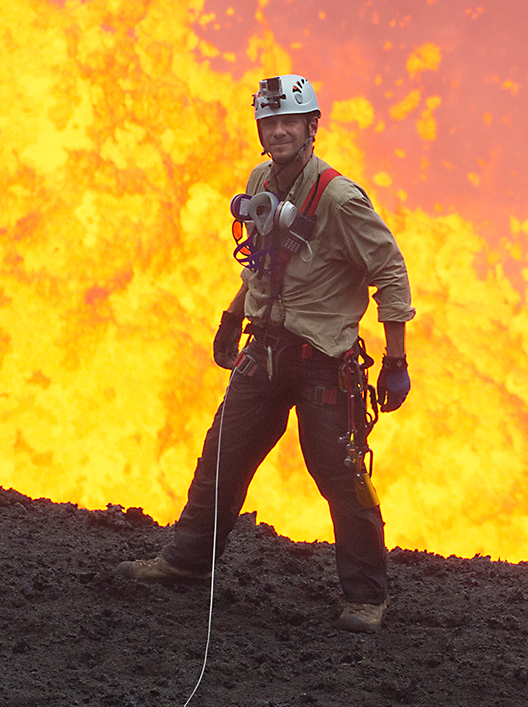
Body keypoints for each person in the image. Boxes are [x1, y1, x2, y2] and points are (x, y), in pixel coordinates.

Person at [114, 74, 414, 634]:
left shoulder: (341, 200)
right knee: (222, 454)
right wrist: (234, 313)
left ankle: (366, 598)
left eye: (288, 123)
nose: (278, 132)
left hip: (324, 359)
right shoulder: (261, 180)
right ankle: (185, 562)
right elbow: (261, 260)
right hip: (267, 350)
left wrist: (396, 361)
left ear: (311, 128)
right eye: (269, 123)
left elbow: (390, 273)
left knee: (342, 476)